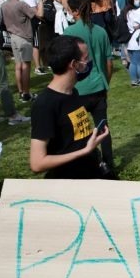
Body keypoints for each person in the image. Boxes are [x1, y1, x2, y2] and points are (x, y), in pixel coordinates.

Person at [29, 35, 110, 179]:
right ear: (74, 64)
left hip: (90, 171)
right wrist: (84, 151)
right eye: (86, 58)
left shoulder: (73, 92)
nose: (89, 62)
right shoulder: (45, 105)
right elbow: (37, 163)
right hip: (69, 182)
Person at [64, 0, 115, 175]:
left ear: (75, 12)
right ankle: (108, 163)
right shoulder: (101, 31)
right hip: (99, 86)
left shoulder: (69, 33)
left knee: (80, 130)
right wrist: (105, 81)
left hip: (78, 89)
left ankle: (88, 162)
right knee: (103, 128)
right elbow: (109, 63)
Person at [1, 0, 44, 102]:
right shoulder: (21, 4)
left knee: (18, 65)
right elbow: (39, 15)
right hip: (24, 37)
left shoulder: (4, 5)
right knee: (25, 66)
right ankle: (25, 93)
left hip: (13, 36)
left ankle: (21, 92)